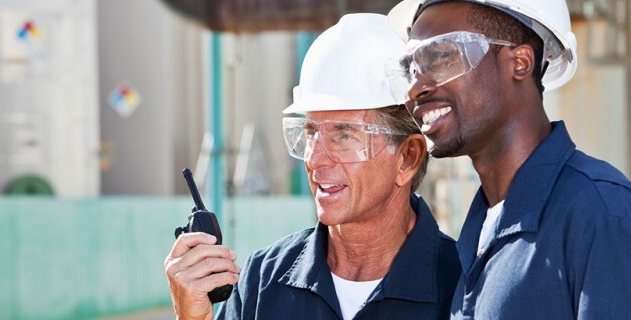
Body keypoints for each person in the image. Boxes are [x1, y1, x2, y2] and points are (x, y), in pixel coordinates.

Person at [385, 0, 631, 319]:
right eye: (411, 69)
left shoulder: (606, 220)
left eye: (442, 57)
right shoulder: (477, 234)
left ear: (520, 62)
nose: (415, 88)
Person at [164, 13, 460, 320]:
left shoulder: (463, 289)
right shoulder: (261, 283)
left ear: (407, 157)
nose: (315, 159)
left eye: (344, 135)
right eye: (309, 133)